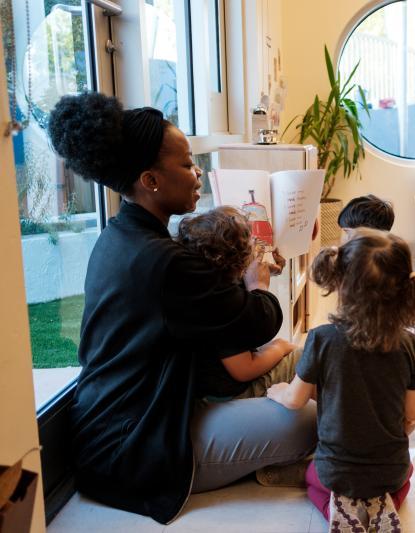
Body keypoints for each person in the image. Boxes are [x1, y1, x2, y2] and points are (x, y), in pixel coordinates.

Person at [47, 92, 317, 524]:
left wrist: (244, 279)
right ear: (151, 180)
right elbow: (258, 321)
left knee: (314, 362)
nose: (198, 175)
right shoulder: (164, 260)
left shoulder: (123, 236)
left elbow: (204, 308)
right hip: (137, 449)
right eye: (188, 164)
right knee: (307, 419)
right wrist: (258, 282)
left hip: (125, 426)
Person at [267, 228, 415, 528]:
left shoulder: (321, 339)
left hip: (336, 470)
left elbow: (294, 400)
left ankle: (335, 507)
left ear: (341, 283)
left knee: (311, 478)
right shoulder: (409, 344)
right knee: (405, 477)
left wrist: (277, 390)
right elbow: (413, 416)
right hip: (389, 468)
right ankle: (385, 505)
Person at [176, 206, 300, 400]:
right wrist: (280, 347)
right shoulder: (222, 304)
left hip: (214, 391)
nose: (257, 245)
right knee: (306, 358)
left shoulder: (206, 284)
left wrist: (261, 274)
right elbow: (244, 370)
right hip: (228, 397)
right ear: (235, 258)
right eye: (251, 242)